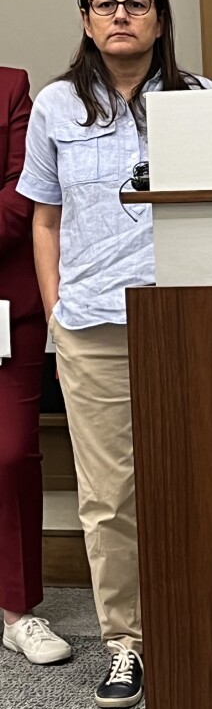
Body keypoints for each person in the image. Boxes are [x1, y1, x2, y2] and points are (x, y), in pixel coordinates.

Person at [18, 0, 212, 708]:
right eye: (107, 4)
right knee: (109, 495)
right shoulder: (56, 107)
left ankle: (197, 628)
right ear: (87, 19)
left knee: (194, 482)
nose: (122, 15)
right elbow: (44, 216)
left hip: (183, 323)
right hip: (93, 324)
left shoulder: (200, 99)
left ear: (160, 18)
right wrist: (58, 303)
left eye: (136, 3)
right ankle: (126, 643)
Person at [0, 68, 71, 666]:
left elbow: (22, 198)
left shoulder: (13, 88)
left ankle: (17, 611)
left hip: (5, 309)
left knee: (12, 451)